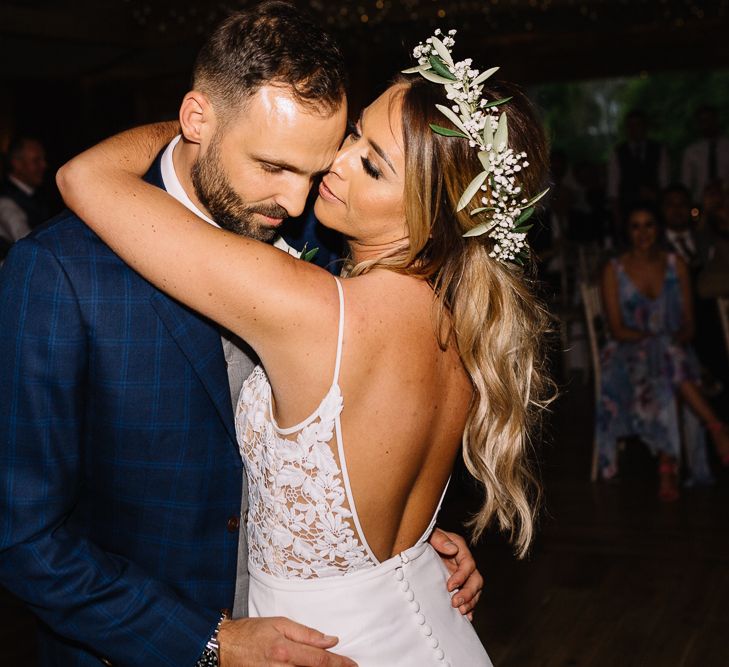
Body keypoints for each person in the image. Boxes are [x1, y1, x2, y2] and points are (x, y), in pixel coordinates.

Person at [0, 5, 481, 667]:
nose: (296, 201)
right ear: (197, 119)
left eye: (315, 170)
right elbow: (24, 537)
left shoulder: (330, 243)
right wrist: (204, 641)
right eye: (273, 165)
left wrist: (383, 535)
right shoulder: (59, 272)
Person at [596, 204, 729, 500]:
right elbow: (617, 330)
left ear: (658, 229)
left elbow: (690, 324)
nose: (643, 233)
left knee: (665, 368)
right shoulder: (613, 269)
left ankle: (668, 465)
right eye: (635, 226)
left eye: (648, 225)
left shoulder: (676, 264)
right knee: (665, 360)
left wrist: (673, 339)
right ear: (627, 232)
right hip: (625, 355)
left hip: (672, 353)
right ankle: (716, 427)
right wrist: (658, 341)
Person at [607, 109, 670, 241]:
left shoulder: (658, 149)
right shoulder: (618, 152)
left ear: (645, 127)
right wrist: (617, 218)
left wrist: (657, 196)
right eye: (631, 125)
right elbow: (613, 189)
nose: (635, 129)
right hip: (628, 211)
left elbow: (665, 184)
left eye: (638, 125)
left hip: (653, 210)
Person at [0, 135, 50, 256]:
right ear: (17, 164)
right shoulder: (6, 201)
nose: (44, 165)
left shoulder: (39, 195)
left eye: (43, 159)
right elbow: (28, 243)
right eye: (36, 160)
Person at [681, 105, 729, 205]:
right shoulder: (691, 151)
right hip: (700, 201)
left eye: (710, 120)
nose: (707, 124)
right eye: (703, 121)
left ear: (716, 120)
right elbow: (686, 183)